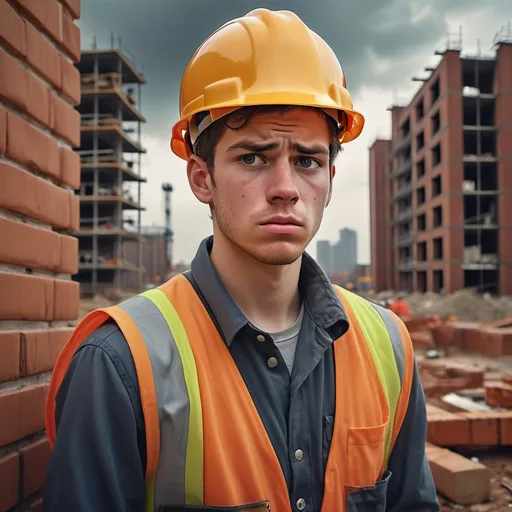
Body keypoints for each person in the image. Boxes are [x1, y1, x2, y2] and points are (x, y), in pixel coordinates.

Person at [43, 8, 439, 512]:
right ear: (201, 177)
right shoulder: (120, 363)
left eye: (308, 161)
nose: (285, 190)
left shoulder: (389, 347)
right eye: (253, 157)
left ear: (331, 181)